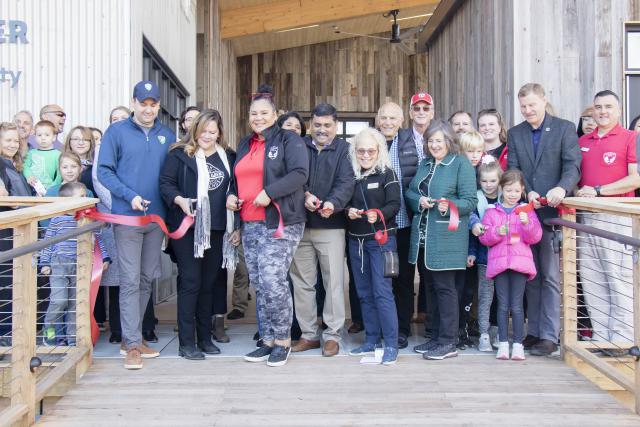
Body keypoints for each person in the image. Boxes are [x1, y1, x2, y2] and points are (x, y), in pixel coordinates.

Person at [227, 84, 308, 367]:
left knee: (274, 281)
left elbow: (299, 174)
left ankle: (283, 340)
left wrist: (269, 192)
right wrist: (231, 197)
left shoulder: (289, 140)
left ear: (275, 114)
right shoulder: (245, 143)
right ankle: (268, 339)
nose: (258, 117)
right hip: (249, 223)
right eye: (254, 113)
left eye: (264, 113)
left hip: (279, 223)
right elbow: (236, 180)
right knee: (260, 283)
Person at [98, 80, 175, 370]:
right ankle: (132, 344)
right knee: (130, 280)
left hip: (156, 221)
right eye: (143, 102)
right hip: (127, 219)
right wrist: (129, 196)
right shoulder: (116, 132)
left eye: (153, 103)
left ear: (157, 105)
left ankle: (133, 337)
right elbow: (104, 171)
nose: (148, 108)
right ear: (133, 103)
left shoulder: (166, 136)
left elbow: (170, 179)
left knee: (145, 279)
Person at [507, 82, 582, 356]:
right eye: (523, 106)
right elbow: (513, 167)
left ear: (543, 101)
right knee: (531, 275)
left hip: (553, 214)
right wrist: (526, 190)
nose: (528, 110)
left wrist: (562, 187)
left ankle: (550, 335)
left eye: (532, 105)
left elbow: (572, 164)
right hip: (527, 215)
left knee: (550, 276)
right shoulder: (516, 133)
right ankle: (534, 331)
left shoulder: (564, 128)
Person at [160, 109, 237, 360]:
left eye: (212, 132)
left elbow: (235, 188)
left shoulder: (228, 157)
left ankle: (204, 339)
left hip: (217, 230)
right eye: (203, 130)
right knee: (191, 283)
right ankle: (186, 342)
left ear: (219, 133)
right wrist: (179, 200)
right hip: (189, 228)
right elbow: (165, 183)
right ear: (195, 130)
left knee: (208, 285)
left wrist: (235, 217)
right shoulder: (180, 154)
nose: (207, 135)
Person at [406, 119, 477, 360]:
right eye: (430, 141)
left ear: (449, 141)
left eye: (438, 140)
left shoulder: (461, 164)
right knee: (432, 289)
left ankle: (449, 341)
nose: (434, 145)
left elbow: (470, 201)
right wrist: (419, 201)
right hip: (425, 239)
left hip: (447, 238)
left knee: (446, 290)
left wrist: (449, 206)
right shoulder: (425, 164)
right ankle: (435, 337)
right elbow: (411, 192)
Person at [575, 90, 640, 348]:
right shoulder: (584, 140)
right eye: (598, 107)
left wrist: (599, 191)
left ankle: (622, 340)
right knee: (592, 278)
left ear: (619, 110)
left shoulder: (630, 138)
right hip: (585, 216)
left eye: (608, 107)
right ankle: (602, 339)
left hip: (616, 215)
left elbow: (636, 178)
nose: (602, 112)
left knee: (618, 278)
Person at [290, 103, 354, 357]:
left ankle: (332, 335)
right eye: (317, 125)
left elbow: (347, 181)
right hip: (301, 224)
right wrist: (304, 194)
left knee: (333, 282)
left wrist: (333, 203)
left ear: (335, 126)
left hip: (332, 225)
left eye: (327, 125)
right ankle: (308, 334)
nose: (322, 129)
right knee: (303, 283)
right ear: (310, 124)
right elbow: (294, 176)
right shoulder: (298, 146)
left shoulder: (345, 150)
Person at [345, 127, 401, 365]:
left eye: (370, 150)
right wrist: (349, 211)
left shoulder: (387, 173)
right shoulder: (351, 175)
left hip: (381, 240)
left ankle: (391, 343)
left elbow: (395, 204)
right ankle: (371, 339)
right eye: (361, 150)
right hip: (355, 241)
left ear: (379, 151)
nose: (365, 155)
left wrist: (378, 214)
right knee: (364, 293)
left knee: (382, 292)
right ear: (354, 151)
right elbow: (343, 203)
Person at [376, 100, 425, 349]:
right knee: (382, 279)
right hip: (379, 225)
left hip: (405, 222)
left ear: (401, 121)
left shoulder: (411, 141)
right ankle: (383, 327)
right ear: (377, 119)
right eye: (383, 117)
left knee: (404, 279)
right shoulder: (371, 142)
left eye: (392, 118)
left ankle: (402, 329)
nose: (387, 122)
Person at [480, 169, 542, 360]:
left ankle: (518, 344)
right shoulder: (492, 212)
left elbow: (535, 237)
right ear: (501, 189)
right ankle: (503, 343)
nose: (512, 195)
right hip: (499, 265)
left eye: (516, 191)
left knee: (516, 306)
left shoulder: (527, 211)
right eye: (508, 190)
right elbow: (484, 238)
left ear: (522, 190)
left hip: (519, 264)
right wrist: (498, 231)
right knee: (502, 305)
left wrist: (526, 224)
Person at [39, 182, 110, 346]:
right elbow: (48, 241)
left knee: (74, 303)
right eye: (82, 196)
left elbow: (96, 240)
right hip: (59, 264)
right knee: (59, 300)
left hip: (80, 264)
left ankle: (72, 339)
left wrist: (104, 258)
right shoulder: (57, 219)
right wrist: (45, 263)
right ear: (67, 201)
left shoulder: (87, 219)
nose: (86, 199)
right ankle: (49, 330)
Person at [469, 161, 502, 351]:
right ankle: (483, 333)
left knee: (501, 297)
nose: (488, 184)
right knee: (485, 296)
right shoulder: (477, 199)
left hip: (503, 257)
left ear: (499, 180)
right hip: (484, 259)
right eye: (484, 181)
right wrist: (472, 253)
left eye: (492, 180)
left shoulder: (506, 198)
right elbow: (473, 228)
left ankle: (498, 332)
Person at [23, 120, 61, 195]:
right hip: (32, 188)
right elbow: (25, 166)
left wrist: (52, 187)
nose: (43, 138)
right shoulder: (31, 153)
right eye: (39, 135)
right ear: (35, 137)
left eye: (47, 135)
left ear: (54, 137)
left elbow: (60, 174)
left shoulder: (58, 155)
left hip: (50, 190)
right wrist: (29, 176)